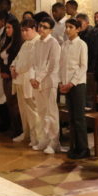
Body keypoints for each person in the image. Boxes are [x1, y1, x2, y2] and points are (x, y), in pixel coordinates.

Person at [31, 17, 62, 154]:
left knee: (51, 112)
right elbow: (33, 62)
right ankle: (43, 139)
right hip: (37, 82)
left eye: (44, 27)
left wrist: (38, 78)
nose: (41, 29)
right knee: (41, 111)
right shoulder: (37, 42)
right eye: (40, 26)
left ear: (50, 30)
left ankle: (54, 142)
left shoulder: (54, 43)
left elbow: (52, 65)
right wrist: (32, 77)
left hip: (49, 81)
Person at [60, 19, 90, 159]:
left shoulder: (82, 45)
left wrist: (71, 83)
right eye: (66, 27)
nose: (67, 29)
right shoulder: (64, 44)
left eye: (71, 27)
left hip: (77, 85)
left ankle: (84, 148)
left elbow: (83, 67)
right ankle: (74, 146)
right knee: (71, 118)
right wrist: (62, 82)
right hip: (66, 84)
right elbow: (62, 65)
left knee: (79, 118)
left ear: (78, 29)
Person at [11, 20, 41, 147]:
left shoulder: (37, 42)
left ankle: (36, 137)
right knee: (23, 110)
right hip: (19, 79)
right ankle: (26, 133)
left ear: (34, 29)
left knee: (33, 111)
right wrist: (12, 67)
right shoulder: (25, 44)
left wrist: (16, 69)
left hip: (29, 79)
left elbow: (30, 62)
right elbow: (17, 58)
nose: (23, 33)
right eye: (22, 30)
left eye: (26, 30)